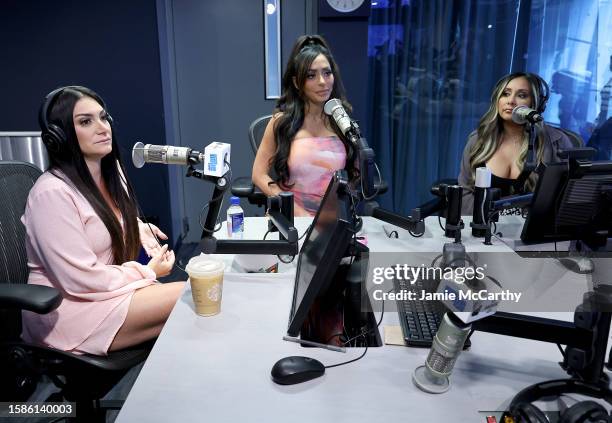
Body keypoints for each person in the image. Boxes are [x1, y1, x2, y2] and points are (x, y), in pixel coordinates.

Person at [21, 86, 184, 356]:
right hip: (63, 309)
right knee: (190, 295)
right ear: (58, 136)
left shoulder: (111, 174)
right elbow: (81, 279)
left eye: (104, 117)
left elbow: (99, 220)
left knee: (194, 308)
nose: (102, 127)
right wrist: (147, 271)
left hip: (101, 294)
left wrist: (137, 227)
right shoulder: (51, 193)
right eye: (86, 121)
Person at [252, 34, 358, 216]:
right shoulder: (281, 122)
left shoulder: (343, 121)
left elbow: (356, 174)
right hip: (292, 218)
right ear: (296, 82)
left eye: (327, 73)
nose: (322, 82)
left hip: (334, 220)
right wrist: (294, 209)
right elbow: (258, 175)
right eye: (311, 75)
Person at [458, 72, 574, 214]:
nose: (511, 101)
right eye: (505, 94)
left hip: (531, 230)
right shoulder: (478, 140)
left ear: (537, 103)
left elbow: (566, 197)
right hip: (483, 229)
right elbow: (465, 192)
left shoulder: (558, 142)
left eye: (522, 95)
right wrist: (483, 222)